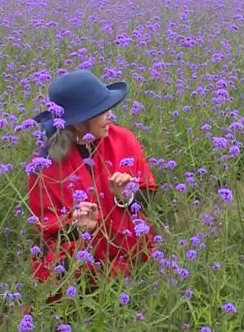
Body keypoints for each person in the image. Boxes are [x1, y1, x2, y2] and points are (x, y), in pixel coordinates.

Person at [27, 70, 157, 284]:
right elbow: (47, 231)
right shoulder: (45, 166)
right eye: (101, 111)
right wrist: (77, 228)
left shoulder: (123, 139)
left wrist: (126, 198)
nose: (109, 116)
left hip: (131, 255)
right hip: (80, 268)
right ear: (78, 122)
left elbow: (149, 197)